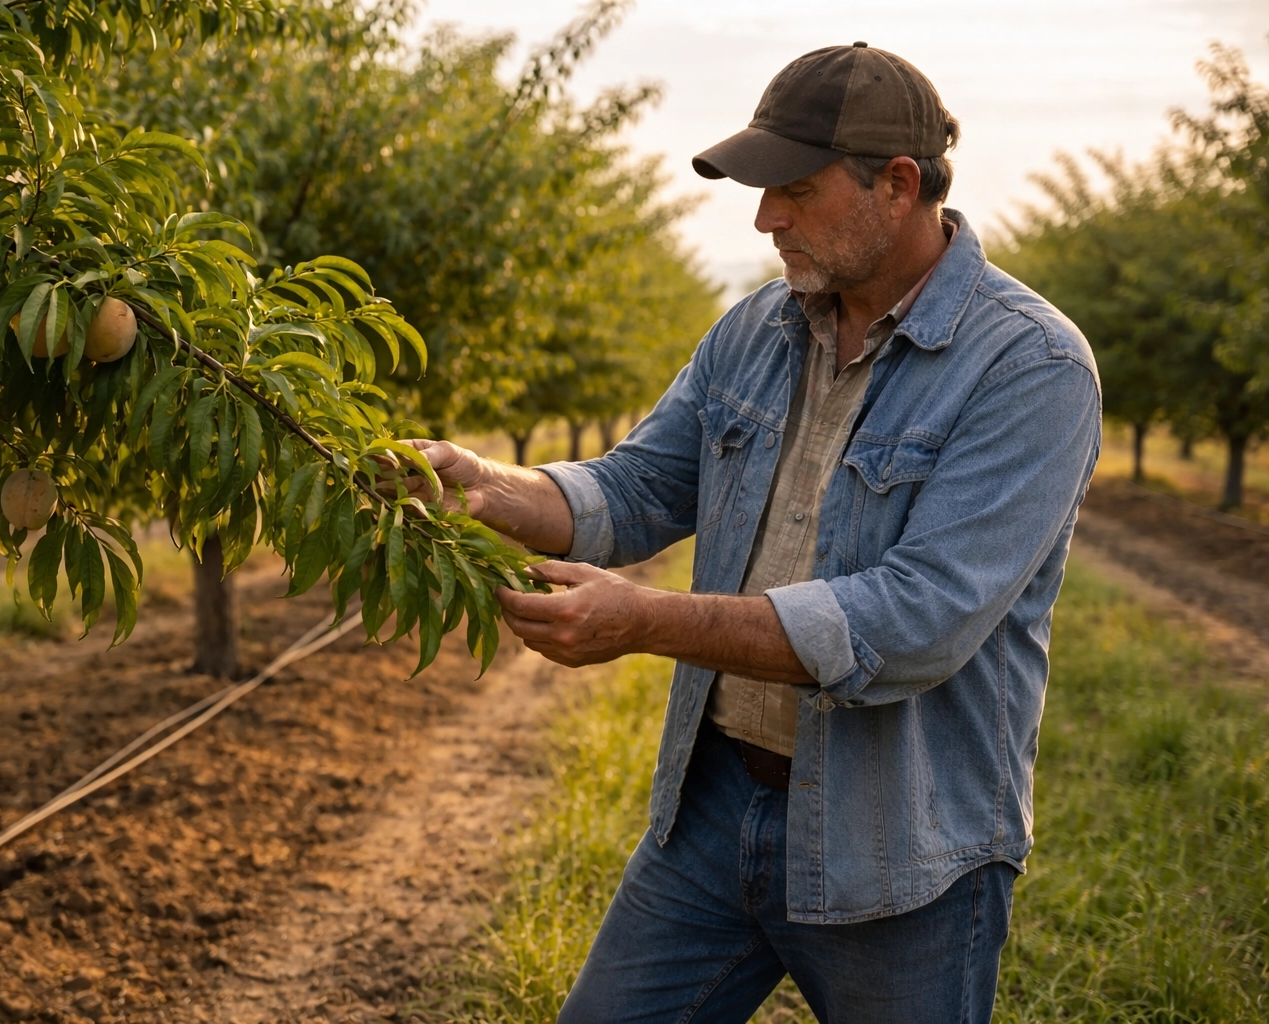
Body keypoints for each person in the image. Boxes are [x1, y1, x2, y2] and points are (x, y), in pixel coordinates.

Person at [409, 42, 1101, 1024]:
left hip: (900, 848)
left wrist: (645, 621)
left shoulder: (1029, 368)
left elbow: (911, 623)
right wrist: (487, 485)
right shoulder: (755, 331)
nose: (765, 216)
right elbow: (636, 487)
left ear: (897, 184)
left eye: (796, 189)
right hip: (716, 808)